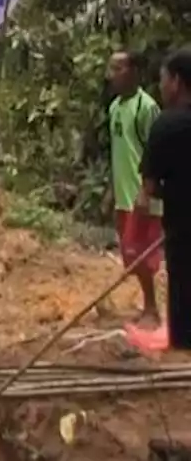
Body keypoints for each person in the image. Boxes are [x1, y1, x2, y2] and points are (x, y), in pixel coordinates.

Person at [136, 48, 191, 351]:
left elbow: (148, 187)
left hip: (182, 227)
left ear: (178, 82)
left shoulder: (166, 126)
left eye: (164, 79)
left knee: (183, 287)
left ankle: (183, 352)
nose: (161, 86)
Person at [106, 50, 163, 328]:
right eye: (111, 69)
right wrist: (110, 189)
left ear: (133, 72)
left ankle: (152, 308)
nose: (111, 75)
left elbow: (157, 150)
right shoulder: (114, 107)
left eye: (117, 69)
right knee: (129, 254)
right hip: (122, 193)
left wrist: (147, 190)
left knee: (139, 252)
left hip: (142, 196)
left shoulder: (146, 107)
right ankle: (147, 303)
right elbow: (117, 152)